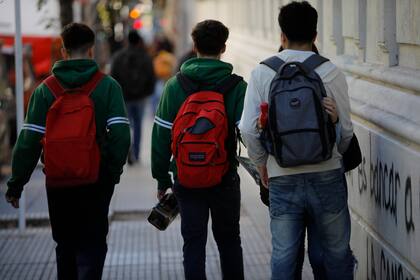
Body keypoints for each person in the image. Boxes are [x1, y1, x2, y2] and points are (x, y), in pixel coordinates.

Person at [5, 23, 130, 280]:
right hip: (96, 179)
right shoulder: (108, 87)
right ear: (91, 51)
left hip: (58, 180)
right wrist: (111, 172)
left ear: (63, 51)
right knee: (93, 242)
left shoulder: (44, 91)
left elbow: (28, 140)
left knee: (65, 245)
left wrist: (17, 183)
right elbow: (120, 136)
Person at [239, 2, 355, 280]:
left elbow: (248, 130)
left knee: (284, 257)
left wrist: (263, 165)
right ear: (315, 35)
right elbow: (347, 133)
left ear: (281, 35)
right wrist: (333, 147)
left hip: (282, 176)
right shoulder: (330, 72)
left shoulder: (263, 73)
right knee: (334, 255)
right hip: (327, 176)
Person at [151, 20, 246, 280]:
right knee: (229, 243)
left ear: (194, 47)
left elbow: (159, 136)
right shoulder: (236, 86)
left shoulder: (174, 86)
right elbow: (250, 133)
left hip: (186, 177)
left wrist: (161, 178)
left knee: (193, 244)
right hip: (225, 177)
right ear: (223, 48)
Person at [111, 30, 155, 165]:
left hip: (124, 96)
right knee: (138, 125)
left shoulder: (118, 57)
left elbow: (113, 76)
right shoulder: (145, 57)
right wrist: (148, 92)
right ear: (139, 41)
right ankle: (136, 153)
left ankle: (127, 150)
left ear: (127, 41)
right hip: (140, 97)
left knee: (126, 124)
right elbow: (151, 76)